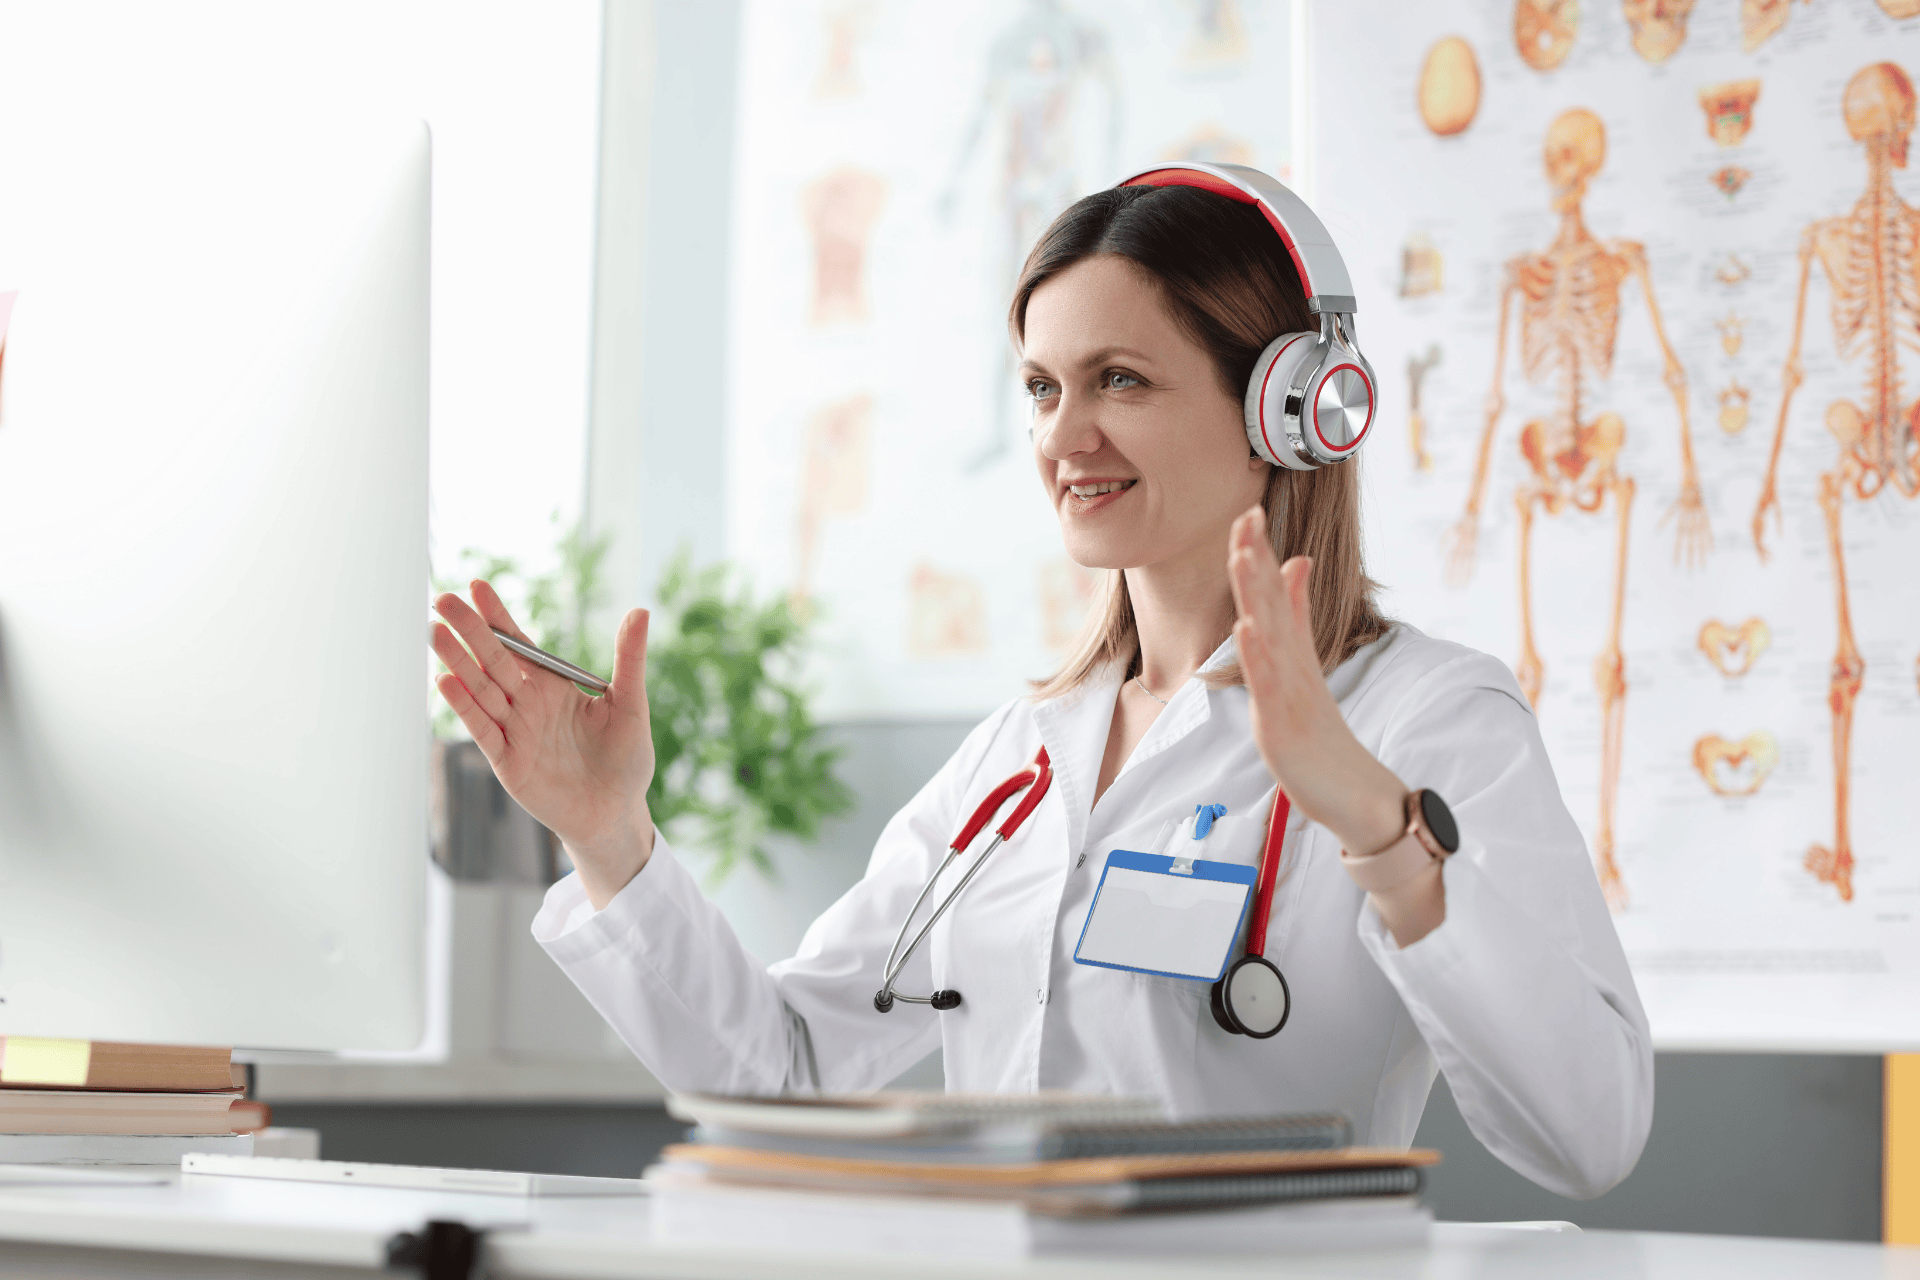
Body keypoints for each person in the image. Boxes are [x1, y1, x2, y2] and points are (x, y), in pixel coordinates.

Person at [430, 168, 1653, 1200]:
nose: (1065, 435)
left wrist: (1377, 824)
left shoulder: (1430, 717)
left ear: (1290, 409)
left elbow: (1587, 1135)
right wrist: (608, 837)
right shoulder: (1019, 759)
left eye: (1120, 378)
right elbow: (785, 1076)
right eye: (1041, 386)